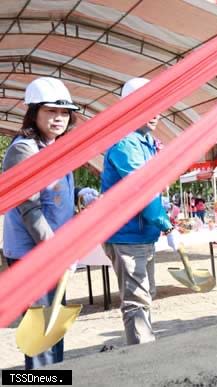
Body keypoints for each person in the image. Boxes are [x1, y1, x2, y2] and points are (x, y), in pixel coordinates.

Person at [2, 77, 98, 369]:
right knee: (43, 328)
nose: (59, 118)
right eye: (51, 111)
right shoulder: (25, 149)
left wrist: (82, 192)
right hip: (33, 251)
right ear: (34, 112)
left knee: (54, 324)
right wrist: (54, 246)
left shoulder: (55, 146)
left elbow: (53, 191)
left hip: (55, 249)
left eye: (64, 112)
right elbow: (28, 206)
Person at [101, 77, 180, 345]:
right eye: (148, 106)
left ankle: (146, 351)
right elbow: (142, 190)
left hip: (142, 233)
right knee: (136, 300)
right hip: (126, 235)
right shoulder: (125, 144)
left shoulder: (145, 142)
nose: (156, 113)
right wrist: (166, 225)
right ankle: (142, 360)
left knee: (146, 294)